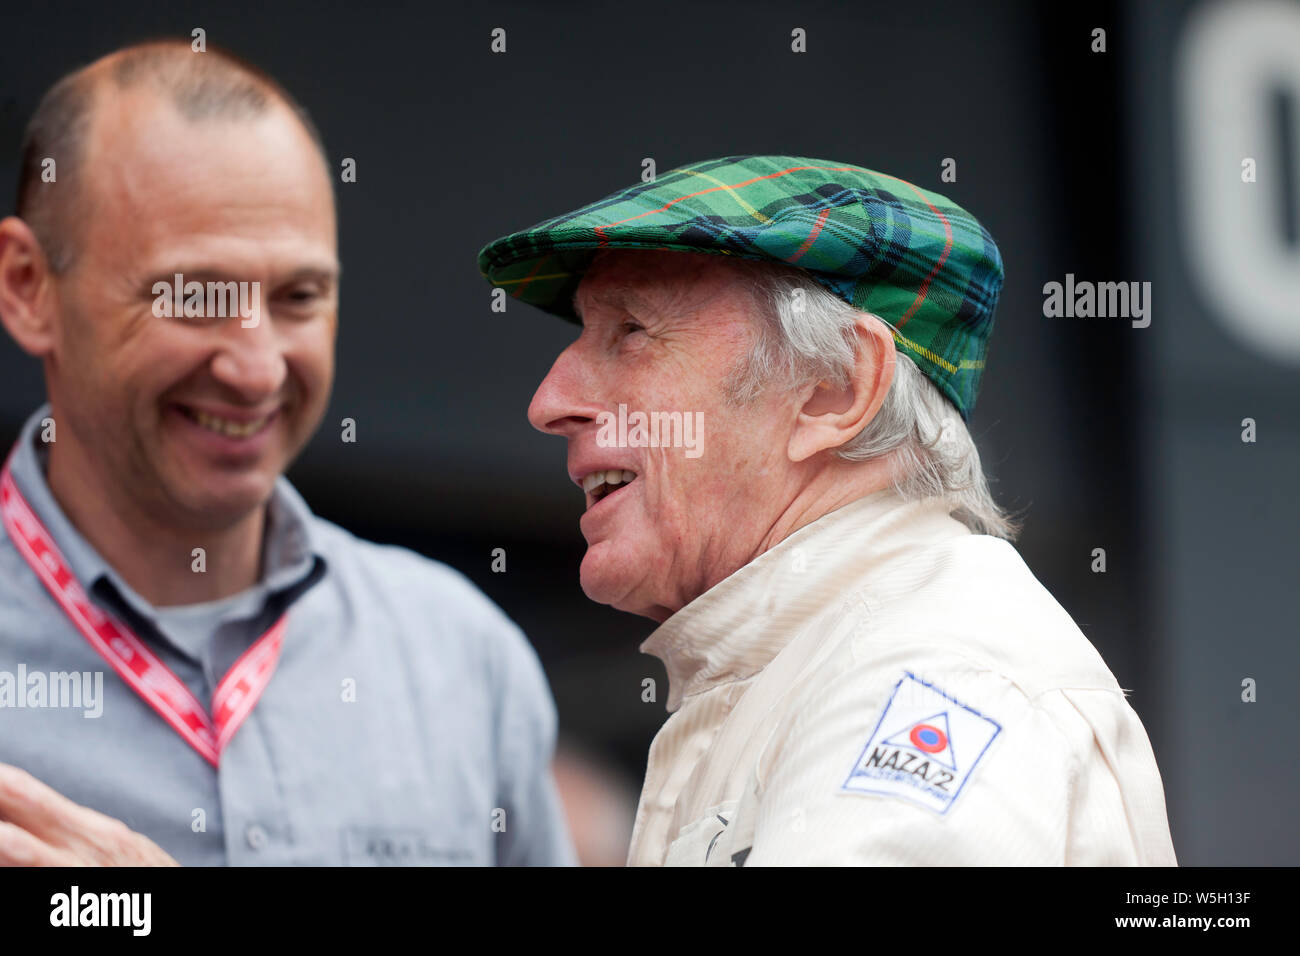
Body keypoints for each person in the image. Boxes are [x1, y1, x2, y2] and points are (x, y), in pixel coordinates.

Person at [478, 155, 1178, 865]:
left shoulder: (930, 681)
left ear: (836, 390)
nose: (549, 403)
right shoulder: (837, 667)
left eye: (631, 330)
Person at [0, 40, 574, 866]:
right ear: (28, 287)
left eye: (299, 297)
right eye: (196, 297)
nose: (258, 367)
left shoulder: (462, 661)